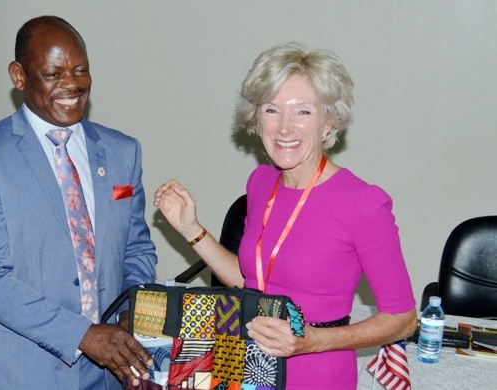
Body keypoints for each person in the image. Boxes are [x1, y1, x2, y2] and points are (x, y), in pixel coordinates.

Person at [154, 43, 416, 389]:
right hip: (242, 363)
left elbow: (403, 320)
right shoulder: (261, 182)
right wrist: (192, 230)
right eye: (272, 110)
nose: (284, 127)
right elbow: (251, 283)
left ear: (329, 121)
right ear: (256, 118)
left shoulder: (364, 204)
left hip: (316, 371)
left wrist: (313, 341)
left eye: (303, 112)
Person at [0, 16, 157, 390]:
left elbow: (136, 249)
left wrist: (131, 312)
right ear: (19, 75)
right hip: (21, 371)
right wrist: (81, 334)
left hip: (110, 372)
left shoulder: (123, 153)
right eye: (54, 73)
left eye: (80, 70)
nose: (72, 84)